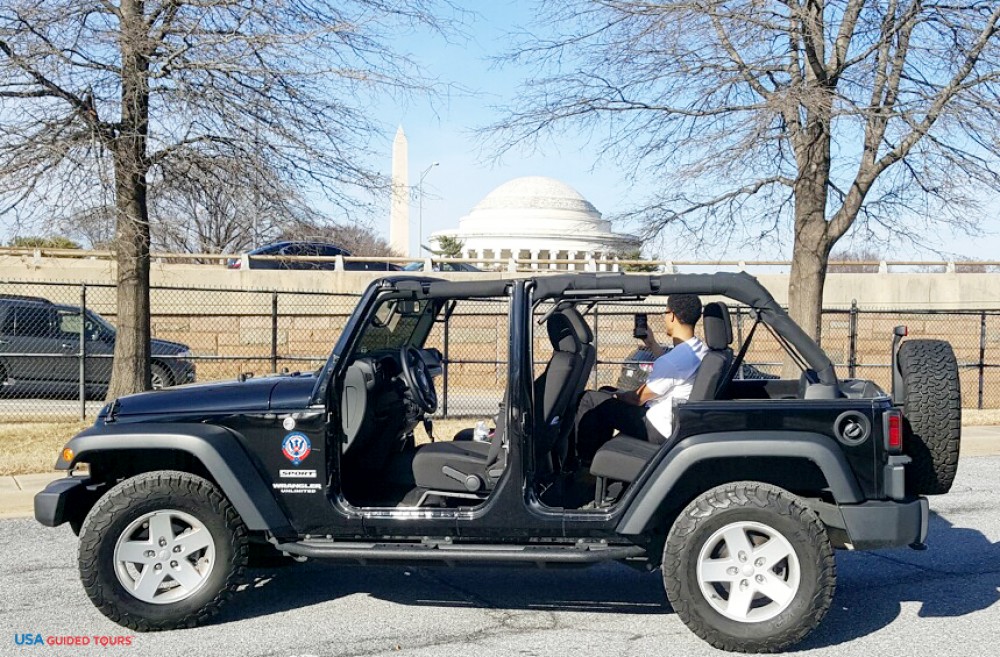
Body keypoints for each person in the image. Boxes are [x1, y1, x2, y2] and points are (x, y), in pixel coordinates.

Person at [573, 294, 708, 463]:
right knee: (605, 392)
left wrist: (618, 395)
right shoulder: (699, 349)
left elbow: (637, 399)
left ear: (672, 316)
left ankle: (583, 464)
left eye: (665, 313)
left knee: (590, 399)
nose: (664, 318)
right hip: (674, 420)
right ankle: (598, 458)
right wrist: (651, 344)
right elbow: (676, 368)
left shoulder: (673, 361)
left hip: (656, 428)